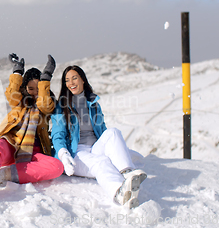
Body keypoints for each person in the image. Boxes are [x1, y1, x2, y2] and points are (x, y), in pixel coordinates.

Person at [0, 53, 64, 202]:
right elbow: (12, 93)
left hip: (33, 153)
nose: (35, 92)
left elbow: (45, 103)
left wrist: (46, 77)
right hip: (11, 144)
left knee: (56, 167)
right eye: (31, 88)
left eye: (39, 89)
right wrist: (17, 72)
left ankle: (2, 175)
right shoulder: (19, 102)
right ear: (25, 88)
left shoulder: (45, 106)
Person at [51, 65, 147, 209]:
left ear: (82, 79)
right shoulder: (62, 106)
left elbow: (103, 132)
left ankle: (128, 173)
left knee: (113, 132)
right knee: (101, 163)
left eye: (74, 78)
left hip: (95, 147)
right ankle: (119, 193)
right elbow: (57, 135)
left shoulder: (93, 104)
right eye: (67, 80)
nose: (71, 83)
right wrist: (63, 154)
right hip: (76, 153)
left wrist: (117, 151)